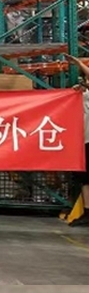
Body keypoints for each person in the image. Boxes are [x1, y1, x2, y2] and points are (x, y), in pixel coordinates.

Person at [65, 55, 89, 226]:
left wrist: (79, 63)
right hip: (84, 140)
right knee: (84, 178)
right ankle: (87, 212)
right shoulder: (81, 93)